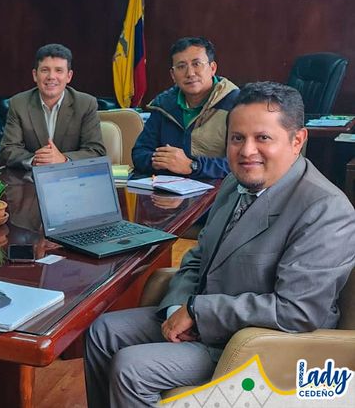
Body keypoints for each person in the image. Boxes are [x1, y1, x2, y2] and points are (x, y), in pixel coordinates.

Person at [85, 82, 355, 407]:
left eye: (263, 138)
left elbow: (297, 311)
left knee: (132, 368)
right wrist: (176, 308)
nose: (246, 151)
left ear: (297, 140)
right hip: (206, 321)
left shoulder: (325, 209)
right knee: (102, 332)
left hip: (261, 345)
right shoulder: (232, 183)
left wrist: (198, 313)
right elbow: (198, 258)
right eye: (237, 138)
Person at [132, 37, 239, 179]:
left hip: (218, 190)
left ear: (212, 68)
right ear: (173, 75)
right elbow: (139, 153)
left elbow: (243, 163)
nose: (190, 73)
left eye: (197, 64)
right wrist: (162, 161)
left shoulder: (236, 104)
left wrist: (192, 166)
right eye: (181, 66)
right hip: (168, 187)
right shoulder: (164, 105)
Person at [0, 43, 105, 168]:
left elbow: (96, 150)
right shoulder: (18, 104)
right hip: (31, 177)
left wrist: (64, 159)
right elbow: (8, 149)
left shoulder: (86, 104)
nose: (51, 77)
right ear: (35, 75)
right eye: (45, 70)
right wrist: (36, 160)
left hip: (71, 177)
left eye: (59, 70)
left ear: (69, 76)